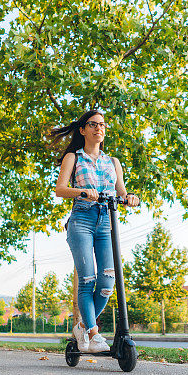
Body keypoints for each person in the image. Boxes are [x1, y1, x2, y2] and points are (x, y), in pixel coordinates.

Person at [52, 110, 140, 353]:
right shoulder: (74, 157)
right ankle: (93, 333)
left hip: (106, 222)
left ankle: (82, 325)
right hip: (82, 219)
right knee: (87, 279)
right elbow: (60, 189)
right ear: (83, 130)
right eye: (92, 124)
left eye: (102, 125)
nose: (98, 128)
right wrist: (82, 192)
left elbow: (121, 191)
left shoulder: (113, 162)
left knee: (107, 282)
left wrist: (130, 198)